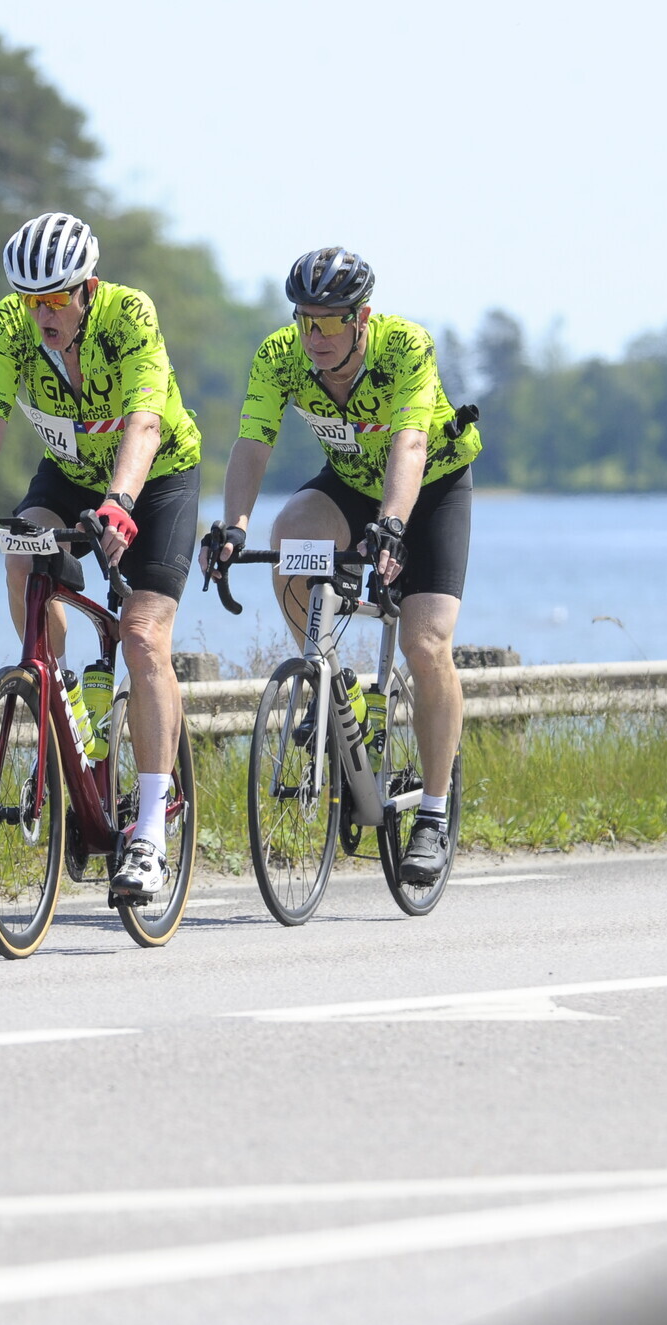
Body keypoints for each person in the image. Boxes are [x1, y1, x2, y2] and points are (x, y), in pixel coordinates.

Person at [0, 212, 201, 899]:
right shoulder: (10, 324)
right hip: (69, 475)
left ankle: (150, 831)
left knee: (141, 634)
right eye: (29, 299)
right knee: (21, 551)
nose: (40, 313)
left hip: (154, 476)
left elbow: (145, 420)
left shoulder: (129, 314)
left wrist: (121, 501)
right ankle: (59, 694)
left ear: (86, 289)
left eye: (55, 299)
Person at [203, 246, 481, 884]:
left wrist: (394, 525)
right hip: (351, 484)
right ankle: (334, 683)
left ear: (362, 319)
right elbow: (253, 442)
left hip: (430, 487)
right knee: (289, 536)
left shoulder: (405, 347)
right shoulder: (279, 356)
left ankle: (433, 816)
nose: (316, 335)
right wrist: (233, 526)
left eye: (330, 321)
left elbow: (410, 442)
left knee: (425, 643)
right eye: (305, 319)